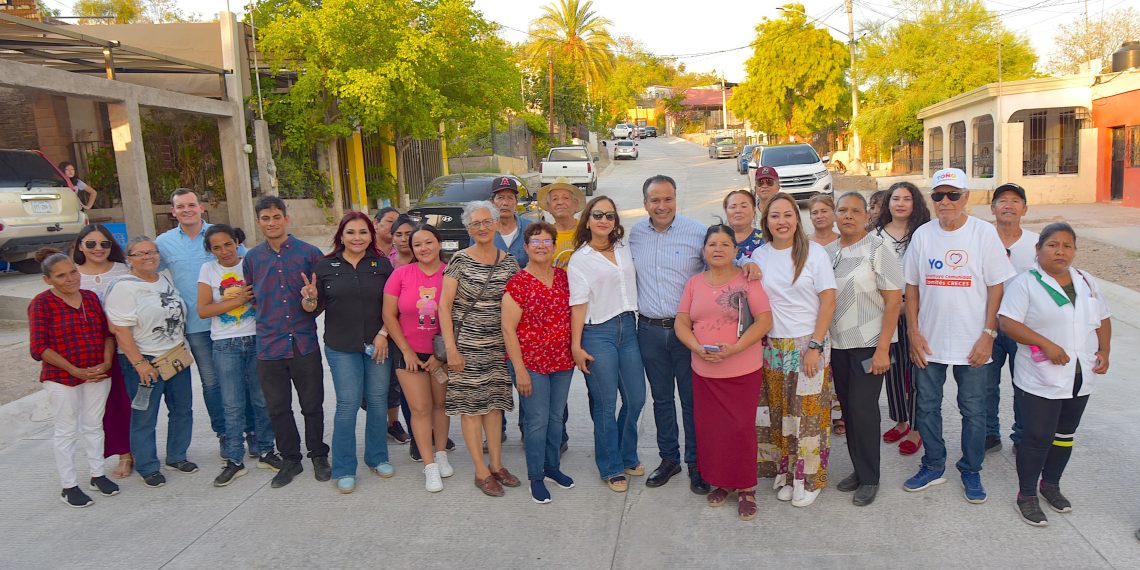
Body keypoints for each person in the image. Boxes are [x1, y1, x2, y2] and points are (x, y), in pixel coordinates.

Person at [901, 168, 1015, 504]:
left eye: (953, 195)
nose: (945, 202)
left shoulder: (983, 234)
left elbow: (997, 287)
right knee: (927, 408)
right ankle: (934, 465)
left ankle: (971, 469)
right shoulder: (923, 235)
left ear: (966, 197)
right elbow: (911, 287)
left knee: (974, 411)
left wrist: (988, 334)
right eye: (938, 196)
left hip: (973, 343)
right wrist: (913, 332)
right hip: (929, 342)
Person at [997, 223, 1111, 526]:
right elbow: (1008, 323)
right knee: (1036, 437)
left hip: (1078, 373)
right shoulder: (1025, 283)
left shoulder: (1085, 281)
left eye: (1067, 246)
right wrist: (1045, 344)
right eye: (1053, 245)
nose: (1060, 251)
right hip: (1039, 375)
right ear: (1038, 250)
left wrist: (1105, 351)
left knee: (1063, 436)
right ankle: (1027, 495)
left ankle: (1050, 485)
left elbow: (1103, 317)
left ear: (1074, 250)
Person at [675, 226, 773, 521]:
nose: (718, 249)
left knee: (741, 429)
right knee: (711, 430)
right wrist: (695, 346)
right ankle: (722, 482)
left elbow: (764, 321)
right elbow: (682, 321)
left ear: (734, 250)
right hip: (704, 371)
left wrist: (736, 347)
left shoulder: (747, 279)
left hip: (742, 368)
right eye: (712, 244)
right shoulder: (694, 283)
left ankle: (745, 487)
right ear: (703, 250)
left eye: (725, 244)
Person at [750, 192, 837, 507]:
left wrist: (815, 345)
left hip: (807, 343)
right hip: (773, 346)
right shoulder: (759, 257)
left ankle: (810, 480)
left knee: (809, 417)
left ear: (796, 220)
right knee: (782, 417)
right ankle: (789, 475)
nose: (782, 221)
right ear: (766, 221)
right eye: (775, 216)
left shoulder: (814, 254)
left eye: (788, 215)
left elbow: (828, 300)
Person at [628, 175, 709, 494]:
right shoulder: (634, 235)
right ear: (645, 203)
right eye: (655, 200)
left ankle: (696, 463)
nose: (662, 206)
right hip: (648, 330)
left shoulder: (697, 232)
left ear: (676, 199)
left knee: (691, 401)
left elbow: (719, 268)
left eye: (668, 199)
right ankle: (669, 459)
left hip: (687, 332)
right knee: (661, 399)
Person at [156, 189, 251, 459]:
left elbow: (246, 264)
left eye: (191, 205)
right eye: (180, 206)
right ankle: (224, 433)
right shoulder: (164, 243)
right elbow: (148, 268)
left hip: (236, 322)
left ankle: (251, 431)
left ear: (201, 207)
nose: (187, 210)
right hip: (197, 325)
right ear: (172, 211)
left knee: (242, 380)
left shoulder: (220, 235)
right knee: (212, 383)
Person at [243, 197, 331, 488]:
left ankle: (318, 454)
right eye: (266, 218)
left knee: (312, 404)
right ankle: (291, 460)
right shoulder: (252, 258)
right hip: (269, 346)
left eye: (276, 216)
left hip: (303, 342)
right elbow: (252, 297)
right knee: (278, 408)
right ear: (259, 222)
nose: (272, 222)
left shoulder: (309, 253)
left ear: (286, 219)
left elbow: (320, 300)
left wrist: (310, 298)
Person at [306, 212, 393, 493]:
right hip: (341, 347)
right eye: (351, 232)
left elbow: (393, 308)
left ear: (371, 235)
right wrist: (308, 299)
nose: (358, 238)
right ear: (341, 236)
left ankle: (377, 457)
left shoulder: (382, 265)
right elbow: (313, 309)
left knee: (378, 402)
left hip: (379, 345)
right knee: (347, 405)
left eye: (363, 232)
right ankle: (343, 467)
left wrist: (383, 334)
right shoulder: (324, 266)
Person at [826, 193, 904, 507]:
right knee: (849, 411)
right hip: (839, 345)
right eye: (842, 210)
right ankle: (859, 470)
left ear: (866, 216)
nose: (848, 216)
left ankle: (871, 478)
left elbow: (894, 301)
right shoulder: (829, 252)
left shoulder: (879, 248)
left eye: (855, 211)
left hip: (870, 345)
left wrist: (884, 348)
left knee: (864, 411)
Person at [439, 201, 522, 497]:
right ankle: (480, 470)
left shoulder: (509, 261)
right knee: (471, 409)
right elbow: (444, 306)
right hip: (466, 348)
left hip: (497, 347)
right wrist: (451, 348)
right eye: (476, 224)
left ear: (498, 223)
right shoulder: (459, 260)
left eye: (488, 222)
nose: (483, 228)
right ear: (468, 229)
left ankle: (497, 465)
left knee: (495, 407)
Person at [569, 196, 646, 493]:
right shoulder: (580, 259)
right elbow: (578, 303)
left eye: (610, 216)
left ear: (615, 221)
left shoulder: (625, 248)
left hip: (628, 327)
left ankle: (627, 454)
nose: (604, 220)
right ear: (587, 219)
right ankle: (611, 465)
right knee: (604, 405)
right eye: (598, 214)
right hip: (597, 332)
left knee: (636, 398)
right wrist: (576, 346)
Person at [104, 236, 195, 488]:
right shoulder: (124, 287)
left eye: (151, 252)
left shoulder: (163, 279)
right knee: (145, 416)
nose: (147, 257)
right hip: (145, 360)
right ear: (129, 258)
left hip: (174, 356)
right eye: (140, 253)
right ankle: (147, 465)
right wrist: (139, 363)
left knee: (182, 409)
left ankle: (177, 456)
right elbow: (120, 330)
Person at [29, 249, 118, 507]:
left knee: (94, 425)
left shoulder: (90, 298)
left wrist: (107, 361)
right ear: (48, 280)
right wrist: (73, 370)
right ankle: (69, 486)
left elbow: (106, 334)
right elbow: (39, 347)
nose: (70, 279)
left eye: (72, 272)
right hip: (61, 377)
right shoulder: (41, 303)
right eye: (61, 276)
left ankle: (97, 474)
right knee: (66, 430)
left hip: (98, 372)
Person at [197, 225, 281, 488]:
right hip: (225, 344)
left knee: (261, 399)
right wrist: (237, 301)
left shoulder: (252, 262)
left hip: (257, 340)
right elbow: (203, 310)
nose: (224, 251)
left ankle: (267, 451)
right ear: (210, 251)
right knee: (232, 404)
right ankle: (234, 459)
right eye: (216, 248)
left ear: (237, 243)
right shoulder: (208, 270)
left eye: (228, 244)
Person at [502, 222, 577, 504]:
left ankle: (552, 468)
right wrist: (519, 369)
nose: (542, 246)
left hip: (561, 361)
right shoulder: (518, 283)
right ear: (526, 247)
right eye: (535, 241)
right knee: (536, 421)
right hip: (530, 363)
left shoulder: (563, 278)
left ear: (555, 246)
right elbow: (508, 329)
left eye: (547, 241)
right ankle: (536, 476)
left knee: (556, 418)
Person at [383, 223, 453, 493]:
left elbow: (458, 316)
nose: (423, 248)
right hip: (409, 354)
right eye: (417, 244)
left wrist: (442, 355)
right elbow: (389, 315)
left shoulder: (451, 273)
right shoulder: (401, 274)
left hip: (442, 353)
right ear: (411, 249)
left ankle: (442, 453)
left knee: (441, 405)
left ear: (439, 244)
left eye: (428, 242)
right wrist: (407, 352)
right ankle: (429, 466)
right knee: (421, 408)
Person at [70, 225, 132, 478]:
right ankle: (102, 457)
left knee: (124, 404)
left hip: (122, 348)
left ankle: (127, 454)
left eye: (104, 244)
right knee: (97, 409)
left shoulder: (123, 271)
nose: (98, 249)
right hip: (88, 350)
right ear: (80, 245)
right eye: (91, 244)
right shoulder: (72, 274)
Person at [875, 181, 931, 456]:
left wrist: (907, 304)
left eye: (906, 199)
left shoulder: (923, 234)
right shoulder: (875, 234)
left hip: (914, 310)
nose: (900, 203)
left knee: (917, 370)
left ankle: (917, 427)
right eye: (895, 198)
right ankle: (900, 420)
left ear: (915, 203)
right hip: (885, 312)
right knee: (893, 370)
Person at [985, 183, 1039, 454]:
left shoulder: (1037, 244)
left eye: (1016, 200)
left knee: (1024, 385)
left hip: (1022, 328)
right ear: (993, 208)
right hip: (987, 326)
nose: (1008, 205)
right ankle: (988, 434)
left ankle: (1022, 435)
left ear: (1025, 209)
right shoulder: (981, 238)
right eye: (1002, 200)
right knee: (984, 385)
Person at [384, 213, 417, 445]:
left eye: (408, 234)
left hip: (422, 334)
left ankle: (436, 434)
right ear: (392, 237)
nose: (404, 239)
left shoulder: (425, 258)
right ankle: (417, 436)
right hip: (393, 334)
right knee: (404, 390)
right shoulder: (386, 264)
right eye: (399, 234)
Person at [537, 177, 586, 269]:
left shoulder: (587, 231)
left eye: (565, 198)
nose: (560, 202)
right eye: (555, 199)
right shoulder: (543, 236)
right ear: (549, 207)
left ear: (575, 204)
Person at [491, 177, 534, 268]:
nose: (505, 203)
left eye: (510, 198)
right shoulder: (483, 230)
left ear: (516, 202)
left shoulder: (530, 228)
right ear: (492, 202)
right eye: (500, 198)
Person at [723, 189, 765, 260]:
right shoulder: (716, 239)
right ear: (726, 211)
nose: (738, 210)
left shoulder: (765, 239)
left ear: (754, 211)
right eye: (733, 207)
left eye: (744, 206)